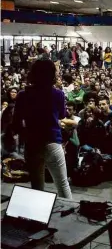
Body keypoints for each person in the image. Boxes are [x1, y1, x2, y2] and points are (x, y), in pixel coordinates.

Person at [12, 60, 72, 198]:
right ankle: (68, 216)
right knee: (62, 184)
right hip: (52, 142)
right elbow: (62, 115)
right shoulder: (58, 94)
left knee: (37, 187)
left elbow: (16, 121)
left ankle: (38, 217)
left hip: (32, 144)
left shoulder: (23, 94)